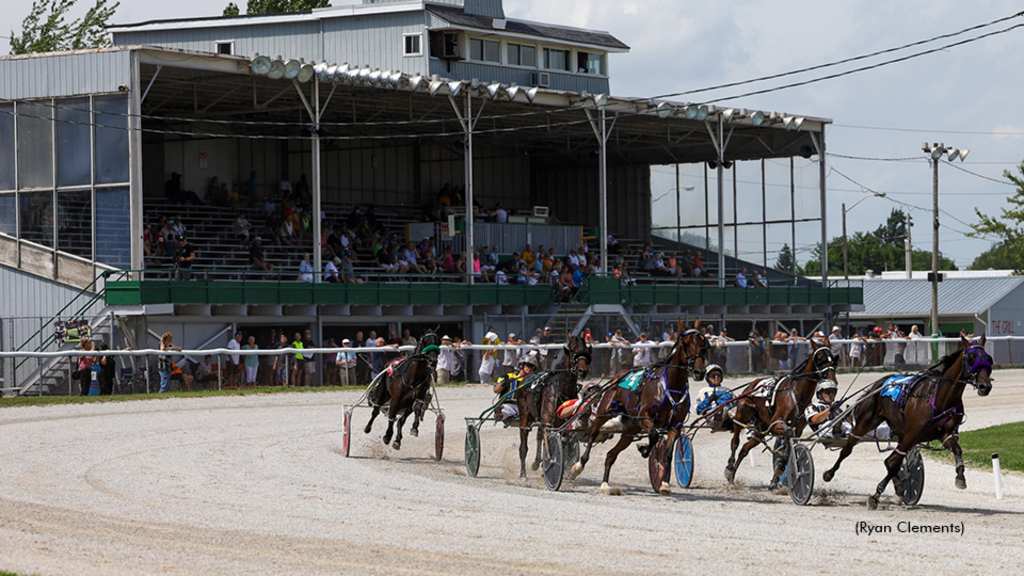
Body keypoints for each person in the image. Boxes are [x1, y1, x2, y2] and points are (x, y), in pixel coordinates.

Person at [492, 353, 540, 422]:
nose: (529, 368)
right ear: (521, 365)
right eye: (528, 365)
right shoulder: (508, 376)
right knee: (505, 409)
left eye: (532, 367)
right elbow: (496, 390)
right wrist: (503, 383)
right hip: (509, 404)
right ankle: (499, 412)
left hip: (524, 407)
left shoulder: (533, 381)